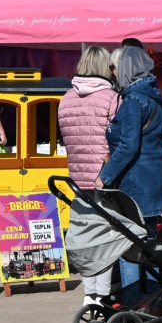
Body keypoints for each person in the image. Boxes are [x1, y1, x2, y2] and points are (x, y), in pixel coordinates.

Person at [97, 46, 162, 305]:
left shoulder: (133, 102)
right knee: (148, 242)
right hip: (155, 178)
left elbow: (129, 145)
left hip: (136, 183)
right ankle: (153, 300)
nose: (113, 73)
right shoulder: (153, 95)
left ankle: (132, 301)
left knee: (129, 245)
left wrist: (104, 176)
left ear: (125, 69)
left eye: (115, 67)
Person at [58, 46, 120, 305]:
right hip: (105, 178)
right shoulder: (111, 98)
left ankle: (88, 295)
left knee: (85, 237)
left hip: (77, 180)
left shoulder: (66, 98)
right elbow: (118, 140)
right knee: (105, 238)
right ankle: (102, 295)